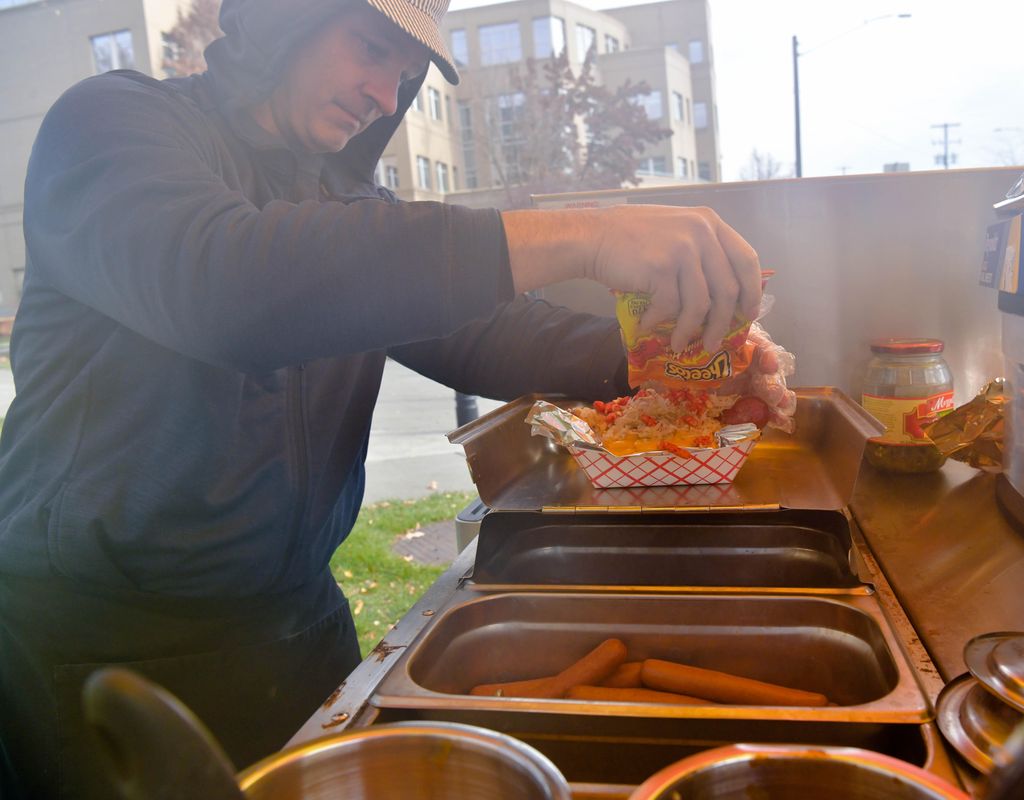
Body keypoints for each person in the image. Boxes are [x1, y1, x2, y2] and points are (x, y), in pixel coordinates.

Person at [0, 0, 761, 796]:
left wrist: (667, 364)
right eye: (368, 48)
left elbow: (487, 331)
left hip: (295, 622)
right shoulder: (112, 125)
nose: (383, 94)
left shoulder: (350, 206)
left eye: (404, 74)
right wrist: (591, 236)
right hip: (97, 645)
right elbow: (232, 286)